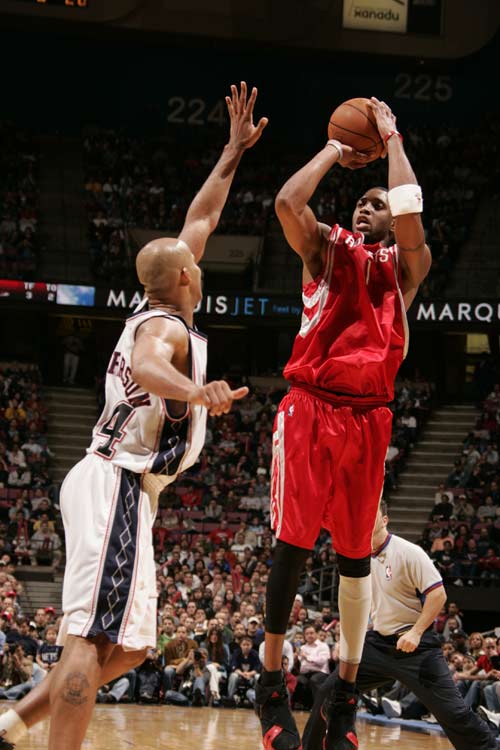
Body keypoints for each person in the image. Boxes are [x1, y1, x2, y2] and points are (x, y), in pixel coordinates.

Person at [0, 81, 267, 750]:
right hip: (116, 480)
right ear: (186, 279)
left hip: (126, 489)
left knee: (132, 647)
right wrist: (195, 392)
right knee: (91, 641)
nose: (199, 258)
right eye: (194, 262)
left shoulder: (157, 301)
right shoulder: (164, 329)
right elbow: (148, 366)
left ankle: (10, 724)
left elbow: (201, 218)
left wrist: (233, 151)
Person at [255, 97, 431, 750]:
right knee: (294, 545)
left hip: (368, 418)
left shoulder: (405, 270)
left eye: (377, 203)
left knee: (356, 556)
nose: (367, 207)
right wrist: (336, 148)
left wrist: (390, 139)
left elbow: (409, 212)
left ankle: (347, 692)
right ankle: (269, 679)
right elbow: (286, 202)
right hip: (310, 407)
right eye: (361, 201)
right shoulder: (327, 249)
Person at [302, 502, 496, 750]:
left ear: (385, 520)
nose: (364, 517)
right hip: (377, 644)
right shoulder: (358, 558)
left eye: (372, 513)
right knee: (328, 691)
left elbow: (438, 595)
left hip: (416, 647)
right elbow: (362, 606)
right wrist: (348, 641)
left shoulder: (408, 552)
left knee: (454, 713)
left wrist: (416, 632)